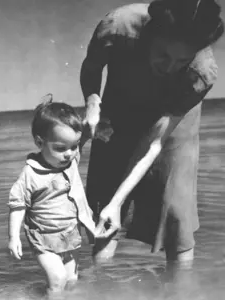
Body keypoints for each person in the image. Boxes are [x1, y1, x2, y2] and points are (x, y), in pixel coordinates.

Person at [80, 0, 224, 264]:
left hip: (172, 123)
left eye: (181, 61)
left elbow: (154, 143)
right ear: (152, 33)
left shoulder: (201, 72)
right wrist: (92, 101)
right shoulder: (117, 26)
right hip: (121, 108)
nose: (169, 67)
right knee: (106, 216)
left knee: (176, 213)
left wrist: (118, 201)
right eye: (163, 55)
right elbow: (91, 67)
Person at [7, 94, 97, 295]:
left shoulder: (70, 160)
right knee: (57, 279)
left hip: (70, 234)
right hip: (43, 238)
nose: (69, 153)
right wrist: (14, 237)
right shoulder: (31, 174)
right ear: (40, 143)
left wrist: (93, 122)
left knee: (72, 280)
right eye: (60, 148)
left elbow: (84, 135)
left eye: (74, 146)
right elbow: (17, 205)